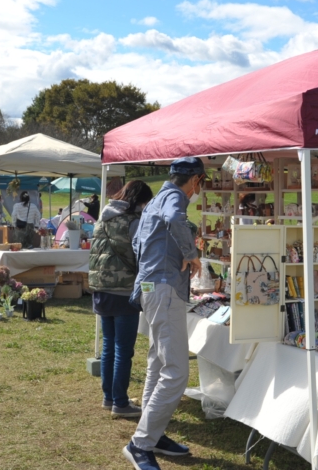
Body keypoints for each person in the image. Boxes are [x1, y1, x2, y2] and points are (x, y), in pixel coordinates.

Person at [122, 158, 204, 470]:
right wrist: (190, 254)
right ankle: (140, 443)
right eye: (201, 183)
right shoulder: (173, 198)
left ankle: (151, 435)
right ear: (194, 180)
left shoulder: (155, 199)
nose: (199, 190)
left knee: (158, 364)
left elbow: (138, 241)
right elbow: (173, 218)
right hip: (163, 289)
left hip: (152, 287)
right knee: (176, 372)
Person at [90, 181, 154, 419]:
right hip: (123, 290)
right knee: (123, 350)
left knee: (109, 346)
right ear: (139, 201)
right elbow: (142, 255)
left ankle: (109, 397)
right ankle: (120, 402)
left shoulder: (103, 218)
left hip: (101, 289)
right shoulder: (133, 222)